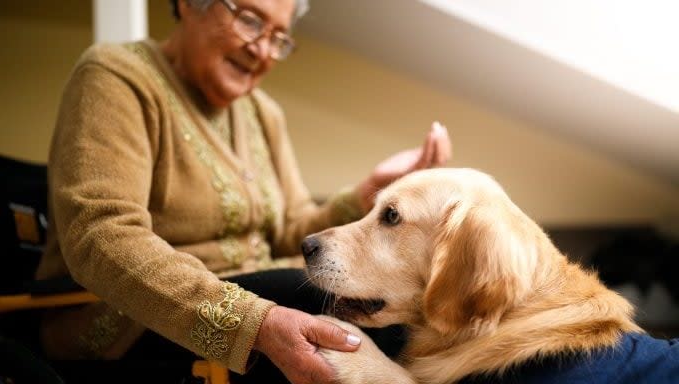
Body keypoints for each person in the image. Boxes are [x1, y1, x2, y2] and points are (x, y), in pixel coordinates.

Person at [34, 0, 451, 383]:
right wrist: (254, 323)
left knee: (403, 309)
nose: (263, 51)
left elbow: (293, 230)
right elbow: (98, 235)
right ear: (188, 4)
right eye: (250, 20)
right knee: (353, 312)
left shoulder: (262, 113)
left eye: (278, 38)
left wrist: (368, 193)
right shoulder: (116, 76)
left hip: (264, 294)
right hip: (135, 327)